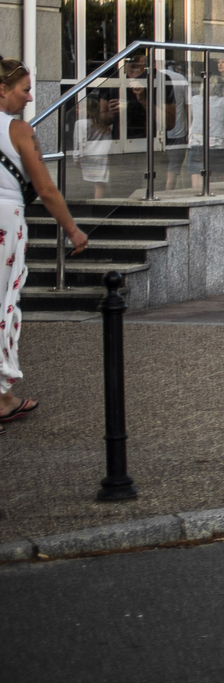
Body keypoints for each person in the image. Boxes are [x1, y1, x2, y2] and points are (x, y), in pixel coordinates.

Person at [0, 58, 87, 423]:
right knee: (4, 305)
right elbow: (47, 190)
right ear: (3, 89)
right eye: (24, 89)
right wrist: (72, 229)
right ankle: (1, 397)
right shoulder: (19, 130)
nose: (31, 96)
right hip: (6, 219)